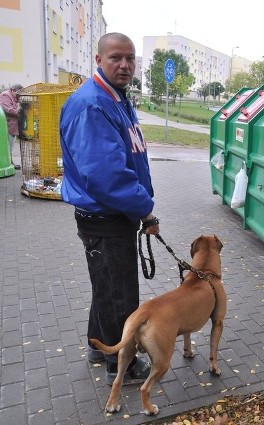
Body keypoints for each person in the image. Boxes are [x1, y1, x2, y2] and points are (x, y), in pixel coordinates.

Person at [59, 32, 158, 385]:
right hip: (106, 218)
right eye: (116, 57)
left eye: (130, 58)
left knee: (107, 285)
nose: (125, 65)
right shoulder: (93, 104)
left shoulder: (116, 98)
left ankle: (98, 346)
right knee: (120, 293)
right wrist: (145, 209)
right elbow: (107, 176)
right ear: (98, 60)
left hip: (113, 216)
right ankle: (123, 365)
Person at [0, 83, 23, 169]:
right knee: (7, 146)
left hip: (12, 125)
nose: (19, 96)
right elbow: (8, 109)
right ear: (13, 90)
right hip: (7, 125)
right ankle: (9, 163)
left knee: (10, 145)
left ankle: (10, 162)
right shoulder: (5, 95)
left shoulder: (13, 97)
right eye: (18, 94)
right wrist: (20, 113)